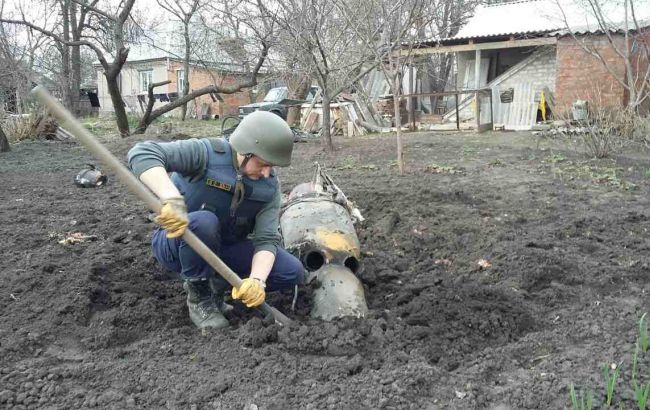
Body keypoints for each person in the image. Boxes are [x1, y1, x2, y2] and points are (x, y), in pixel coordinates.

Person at [128, 111, 305, 329]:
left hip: (223, 249)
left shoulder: (268, 188)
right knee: (204, 222)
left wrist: (257, 281)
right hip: (176, 243)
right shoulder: (206, 154)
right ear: (245, 151)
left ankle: (218, 287)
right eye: (263, 164)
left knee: (292, 271)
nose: (267, 173)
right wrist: (170, 198)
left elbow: (266, 240)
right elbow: (143, 152)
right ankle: (200, 298)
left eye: (272, 167)